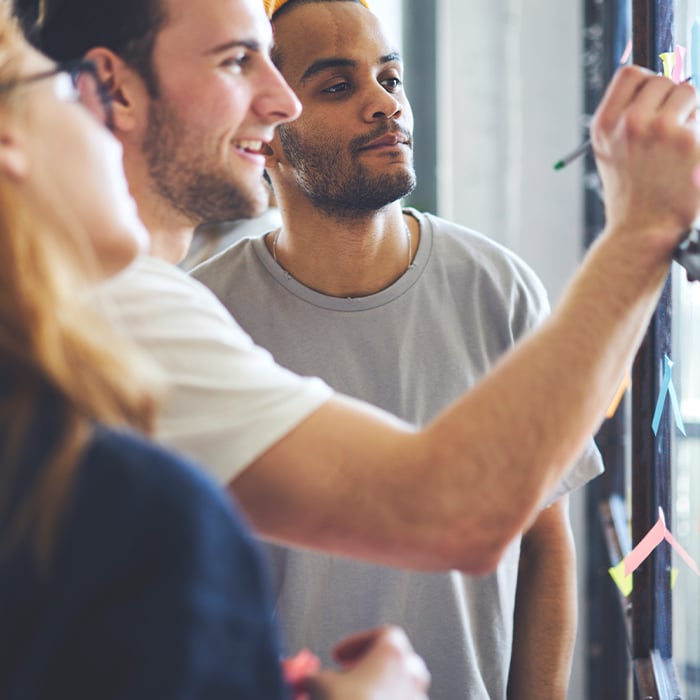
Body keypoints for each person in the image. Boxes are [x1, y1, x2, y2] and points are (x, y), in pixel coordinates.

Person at [30, 0, 700, 590]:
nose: (280, 102)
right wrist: (641, 226)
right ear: (111, 89)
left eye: (391, 77)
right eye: (236, 61)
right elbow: (449, 510)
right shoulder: (124, 313)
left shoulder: (109, 297)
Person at [0, 8, 432, 699]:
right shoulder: (147, 501)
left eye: (391, 78)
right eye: (66, 93)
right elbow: (449, 509)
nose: (99, 117)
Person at [191, 1, 598, 698]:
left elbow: (543, 537)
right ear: (267, 134)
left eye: (391, 78)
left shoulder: (498, 289)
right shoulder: (203, 317)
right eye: (338, 86)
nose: (385, 105)